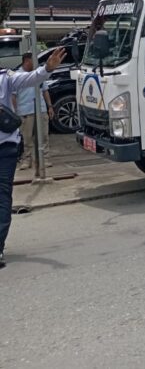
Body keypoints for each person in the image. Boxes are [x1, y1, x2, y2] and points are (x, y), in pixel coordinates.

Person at [0, 47, 66, 269]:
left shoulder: (5, 78)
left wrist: (47, 68)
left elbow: (30, 78)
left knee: (2, 196)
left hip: (5, 148)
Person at [13, 53, 54, 171]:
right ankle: (27, 160)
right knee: (27, 138)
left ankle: (45, 159)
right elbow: (13, 96)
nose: (36, 64)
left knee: (44, 136)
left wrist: (50, 106)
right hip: (25, 111)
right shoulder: (17, 76)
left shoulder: (38, 74)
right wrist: (15, 112)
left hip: (40, 109)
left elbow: (45, 91)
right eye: (33, 61)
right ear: (26, 61)